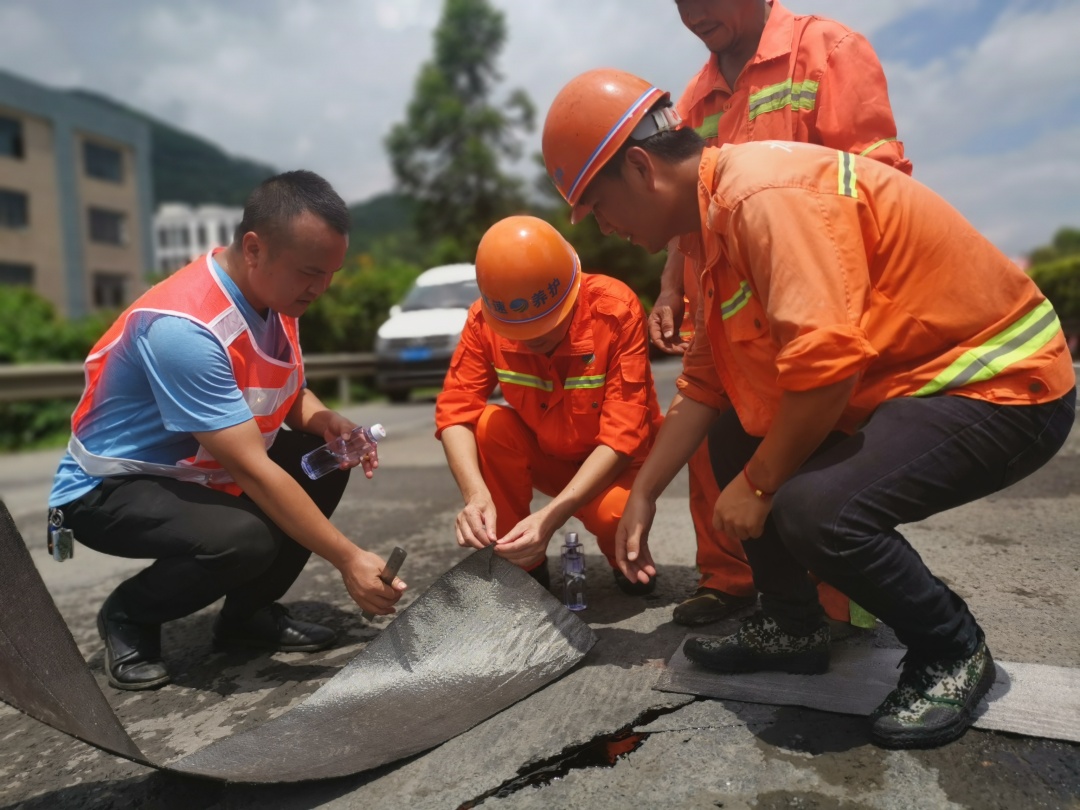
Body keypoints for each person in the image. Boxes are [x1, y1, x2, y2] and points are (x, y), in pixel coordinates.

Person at [540, 69, 1075, 748]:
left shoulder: (760, 198)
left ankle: (950, 648)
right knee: (738, 425)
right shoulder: (709, 226)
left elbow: (824, 377)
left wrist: (761, 486)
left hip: (1002, 383)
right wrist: (643, 493)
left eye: (599, 207)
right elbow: (706, 380)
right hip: (911, 383)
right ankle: (793, 625)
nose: (606, 229)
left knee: (816, 509)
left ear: (640, 168)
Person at [48, 170, 406, 691]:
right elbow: (253, 470)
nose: (321, 288)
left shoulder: (277, 298)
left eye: (331, 273)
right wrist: (349, 559)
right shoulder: (184, 328)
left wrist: (326, 421)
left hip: (197, 470)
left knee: (320, 460)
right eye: (311, 272)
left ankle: (246, 618)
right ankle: (129, 615)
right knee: (244, 539)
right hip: (110, 486)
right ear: (255, 248)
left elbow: (281, 391)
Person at [653, 0, 912, 628]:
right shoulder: (695, 97)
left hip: (815, 300)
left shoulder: (827, 49)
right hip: (735, 309)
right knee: (712, 433)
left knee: (807, 448)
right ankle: (734, 580)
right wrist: (671, 288)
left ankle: (832, 602)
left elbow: (874, 181)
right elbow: (681, 206)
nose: (693, 12)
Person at [436, 215, 663, 589]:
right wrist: (475, 495)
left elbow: (623, 437)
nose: (531, 340)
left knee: (615, 516)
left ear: (572, 293)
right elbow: (455, 411)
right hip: (550, 456)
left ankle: (622, 551)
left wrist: (551, 517)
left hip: (614, 468)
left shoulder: (615, 309)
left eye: (545, 326)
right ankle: (522, 566)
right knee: (489, 425)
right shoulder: (483, 320)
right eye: (518, 332)